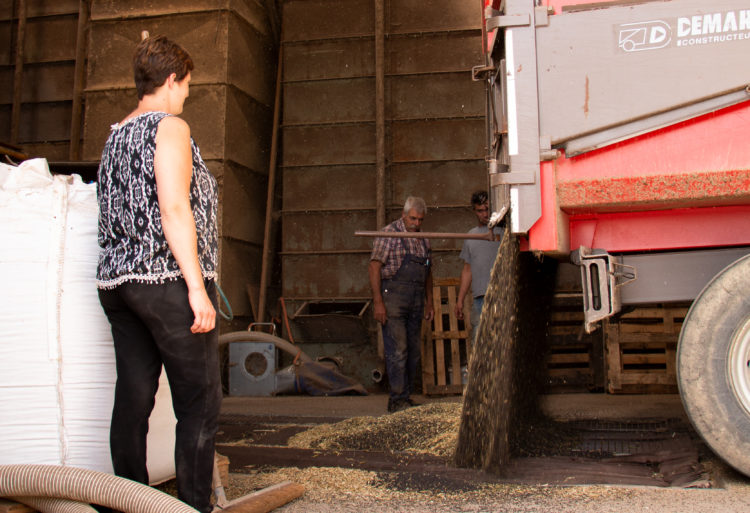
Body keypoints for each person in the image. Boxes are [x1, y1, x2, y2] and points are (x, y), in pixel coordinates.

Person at [95, 35, 221, 513]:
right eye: (186, 84)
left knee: (133, 400)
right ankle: (191, 508)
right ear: (171, 80)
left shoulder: (116, 134)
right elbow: (172, 208)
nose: (187, 94)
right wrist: (196, 288)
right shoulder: (169, 128)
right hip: (166, 283)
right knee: (200, 403)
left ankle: (125, 502)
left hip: (118, 285)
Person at [369, 196, 435, 413]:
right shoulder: (389, 234)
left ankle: (404, 397)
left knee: (414, 352)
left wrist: (429, 302)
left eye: (420, 220)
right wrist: (378, 302)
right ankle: (397, 399)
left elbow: (428, 272)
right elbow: (374, 268)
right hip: (393, 299)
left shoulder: (423, 239)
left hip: (416, 300)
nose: (416, 224)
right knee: (398, 350)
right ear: (404, 215)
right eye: (413, 219)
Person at [455, 191, 502, 339]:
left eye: (487, 209)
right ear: (474, 211)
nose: (485, 214)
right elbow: (467, 270)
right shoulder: (471, 236)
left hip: (501, 296)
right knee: (479, 339)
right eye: (480, 210)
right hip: (479, 298)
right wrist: (460, 300)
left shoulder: (505, 233)